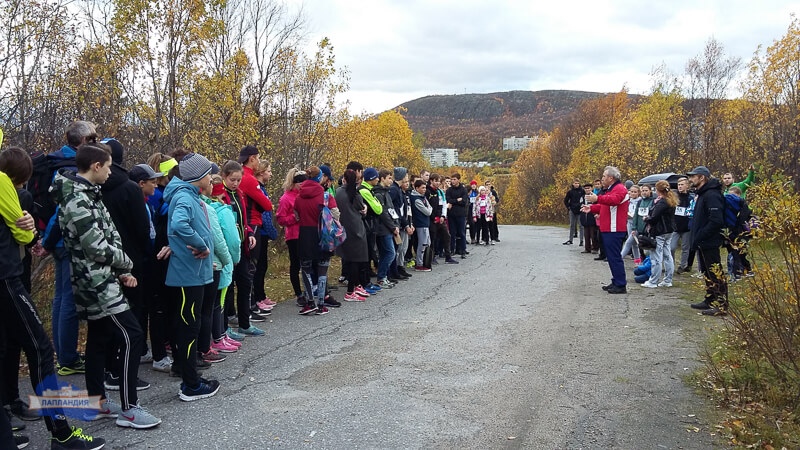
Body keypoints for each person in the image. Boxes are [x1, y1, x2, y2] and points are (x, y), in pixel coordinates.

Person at [0, 146, 109, 449]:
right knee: (41, 350)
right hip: (6, 278)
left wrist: (26, 223)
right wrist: (26, 225)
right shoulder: (3, 185)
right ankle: (61, 435)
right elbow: (25, 235)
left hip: (9, 276)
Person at [53, 142, 161, 427]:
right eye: (109, 166)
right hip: (96, 282)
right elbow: (95, 246)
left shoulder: (90, 194)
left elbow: (109, 233)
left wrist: (120, 269)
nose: (111, 171)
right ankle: (129, 408)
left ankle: (96, 402)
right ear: (96, 166)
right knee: (133, 334)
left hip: (105, 275)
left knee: (100, 337)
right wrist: (125, 264)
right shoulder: (76, 198)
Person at [163, 152, 222, 400]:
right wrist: (200, 245)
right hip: (188, 275)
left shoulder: (190, 195)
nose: (211, 180)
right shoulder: (185, 197)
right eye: (209, 175)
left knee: (190, 325)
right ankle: (190, 385)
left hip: (194, 274)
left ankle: (192, 378)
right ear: (199, 177)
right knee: (189, 327)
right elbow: (178, 225)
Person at [294, 166, 338, 315]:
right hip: (323, 235)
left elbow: (297, 216)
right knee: (322, 270)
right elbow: (335, 215)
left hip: (305, 235)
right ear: (319, 178)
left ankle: (309, 301)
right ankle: (321, 303)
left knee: (305, 268)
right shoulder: (326, 196)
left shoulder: (298, 198)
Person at [236, 146, 274, 318]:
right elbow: (267, 205)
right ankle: (248, 308)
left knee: (248, 267)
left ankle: (248, 307)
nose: (258, 161)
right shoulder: (249, 179)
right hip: (253, 223)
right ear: (252, 158)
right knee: (250, 267)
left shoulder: (241, 176)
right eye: (258, 158)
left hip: (247, 224)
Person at [686, 166, 728, 316]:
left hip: (709, 241)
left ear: (702, 177)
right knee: (706, 272)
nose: (690, 179)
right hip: (703, 241)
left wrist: (701, 235)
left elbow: (716, 220)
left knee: (715, 272)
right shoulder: (703, 194)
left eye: (693, 176)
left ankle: (722, 304)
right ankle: (710, 299)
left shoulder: (712, 195)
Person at [582, 166, 630, 294]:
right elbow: (605, 206)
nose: (602, 179)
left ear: (611, 178)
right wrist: (591, 208)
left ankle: (620, 284)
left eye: (604, 176)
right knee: (611, 256)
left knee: (614, 257)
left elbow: (614, 201)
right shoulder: (611, 189)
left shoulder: (620, 189)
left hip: (614, 228)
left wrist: (597, 199)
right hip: (608, 227)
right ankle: (616, 281)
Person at [335, 169, 372, 301]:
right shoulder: (355, 194)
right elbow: (362, 209)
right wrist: (365, 210)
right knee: (356, 261)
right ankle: (351, 290)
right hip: (356, 228)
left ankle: (354, 287)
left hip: (344, 228)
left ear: (344, 179)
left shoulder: (338, 192)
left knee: (349, 260)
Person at [276, 168, 307, 305]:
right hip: (294, 235)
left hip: (306, 233)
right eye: (301, 183)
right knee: (296, 264)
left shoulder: (305, 195)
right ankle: (298, 293)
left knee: (307, 263)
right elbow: (281, 219)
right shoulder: (286, 198)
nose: (304, 186)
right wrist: (295, 217)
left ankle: (309, 290)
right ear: (295, 183)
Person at [252, 162, 278, 313]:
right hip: (260, 232)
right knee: (259, 268)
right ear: (261, 172)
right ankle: (257, 298)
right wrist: (272, 232)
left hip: (263, 233)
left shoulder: (263, 189)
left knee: (263, 266)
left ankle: (261, 295)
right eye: (268, 171)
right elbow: (265, 214)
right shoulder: (258, 190)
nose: (270, 174)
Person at [641, 180, 677, 288]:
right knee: (667, 255)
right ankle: (667, 279)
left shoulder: (661, 202)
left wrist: (646, 219)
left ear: (658, 190)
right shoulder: (671, 200)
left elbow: (654, 218)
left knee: (656, 256)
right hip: (669, 230)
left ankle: (653, 281)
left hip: (660, 231)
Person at [371, 169, 401, 288]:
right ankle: (381, 277)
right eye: (389, 178)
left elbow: (391, 210)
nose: (391, 180)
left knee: (386, 253)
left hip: (389, 227)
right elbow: (383, 213)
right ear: (382, 178)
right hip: (382, 229)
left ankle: (383, 277)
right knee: (390, 253)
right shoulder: (379, 193)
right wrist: (392, 226)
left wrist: (396, 224)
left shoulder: (386, 193)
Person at [672, 177, 695, 274]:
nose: (680, 187)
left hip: (686, 227)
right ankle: (671, 265)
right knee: (671, 247)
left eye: (682, 185)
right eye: (679, 185)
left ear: (687, 186)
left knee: (685, 248)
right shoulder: (675, 197)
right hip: (675, 226)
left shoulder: (691, 198)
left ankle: (682, 266)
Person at [446, 173, 469, 258]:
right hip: (451, 214)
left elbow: (463, 202)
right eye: (452, 179)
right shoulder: (449, 190)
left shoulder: (463, 190)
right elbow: (448, 200)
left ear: (458, 180)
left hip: (461, 214)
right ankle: (452, 250)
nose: (453, 181)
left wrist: (454, 202)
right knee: (452, 233)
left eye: (454, 179)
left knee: (461, 233)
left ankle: (463, 250)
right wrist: (457, 200)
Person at [620, 184, 641, 262]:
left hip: (636, 224)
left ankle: (619, 258)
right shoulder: (629, 202)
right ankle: (637, 260)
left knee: (628, 242)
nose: (633, 193)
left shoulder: (640, 201)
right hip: (629, 222)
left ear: (638, 193)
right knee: (633, 243)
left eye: (635, 192)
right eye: (631, 192)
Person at [563, 178, 584, 245]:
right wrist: (569, 207)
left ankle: (581, 241)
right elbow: (565, 200)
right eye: (575, 183)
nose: (577, 185)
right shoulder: (570, 192)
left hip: (580, 210)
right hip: (572, 210)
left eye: (578, 183)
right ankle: (570, 239)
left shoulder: (582, 191)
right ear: (573, 184)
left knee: (581, 226)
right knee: (572, 225)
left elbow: (584, 199)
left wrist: (583, 206)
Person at [580, 183, 599, 254]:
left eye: (588, 188)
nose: (587, 189)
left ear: (591, 188)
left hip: (592, 216)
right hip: (585, 216)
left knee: (593, 234)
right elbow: (580, 204)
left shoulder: (594, 196)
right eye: (586, 188)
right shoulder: (582, 197)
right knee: (586, 234)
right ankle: (587, 248)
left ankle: (595, 248)